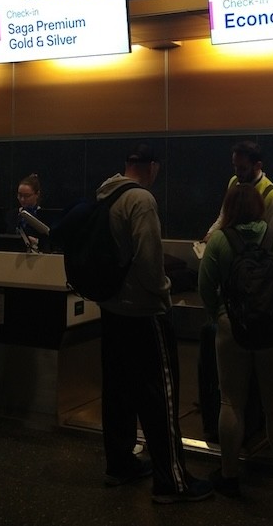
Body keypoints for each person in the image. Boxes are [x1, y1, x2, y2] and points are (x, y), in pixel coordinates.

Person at [97, 143, 213, 504]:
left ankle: (119, 464)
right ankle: (171, 481)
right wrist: (165, 292)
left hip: (112, 308)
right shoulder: (141, 201)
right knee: (159, 395)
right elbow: (150, 261)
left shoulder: (105, 193)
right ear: (153, 168)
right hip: (143, 312)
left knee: (117, 391)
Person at [197, 182, 273, 502]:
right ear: (261, 208)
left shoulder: (219, 241)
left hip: (232, 329)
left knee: (231, 402)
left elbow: (205, 287)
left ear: (230, 209)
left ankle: (230, 477)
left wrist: (220, 316)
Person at [202, 140, 273, 241]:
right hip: (233, 248)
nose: (237, 173)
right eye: (235, 166)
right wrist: (210, 235)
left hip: (257, 252)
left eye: (243, 168)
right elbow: (224, 216)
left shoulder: (272, 196)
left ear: (258, 166)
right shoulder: (234, 182)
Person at [5, 173, 45, 249]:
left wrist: (36, 241)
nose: (22, 199)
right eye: (20, 195)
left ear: (37, 194)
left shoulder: (44, 215)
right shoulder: (12, 215)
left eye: (27, 196)